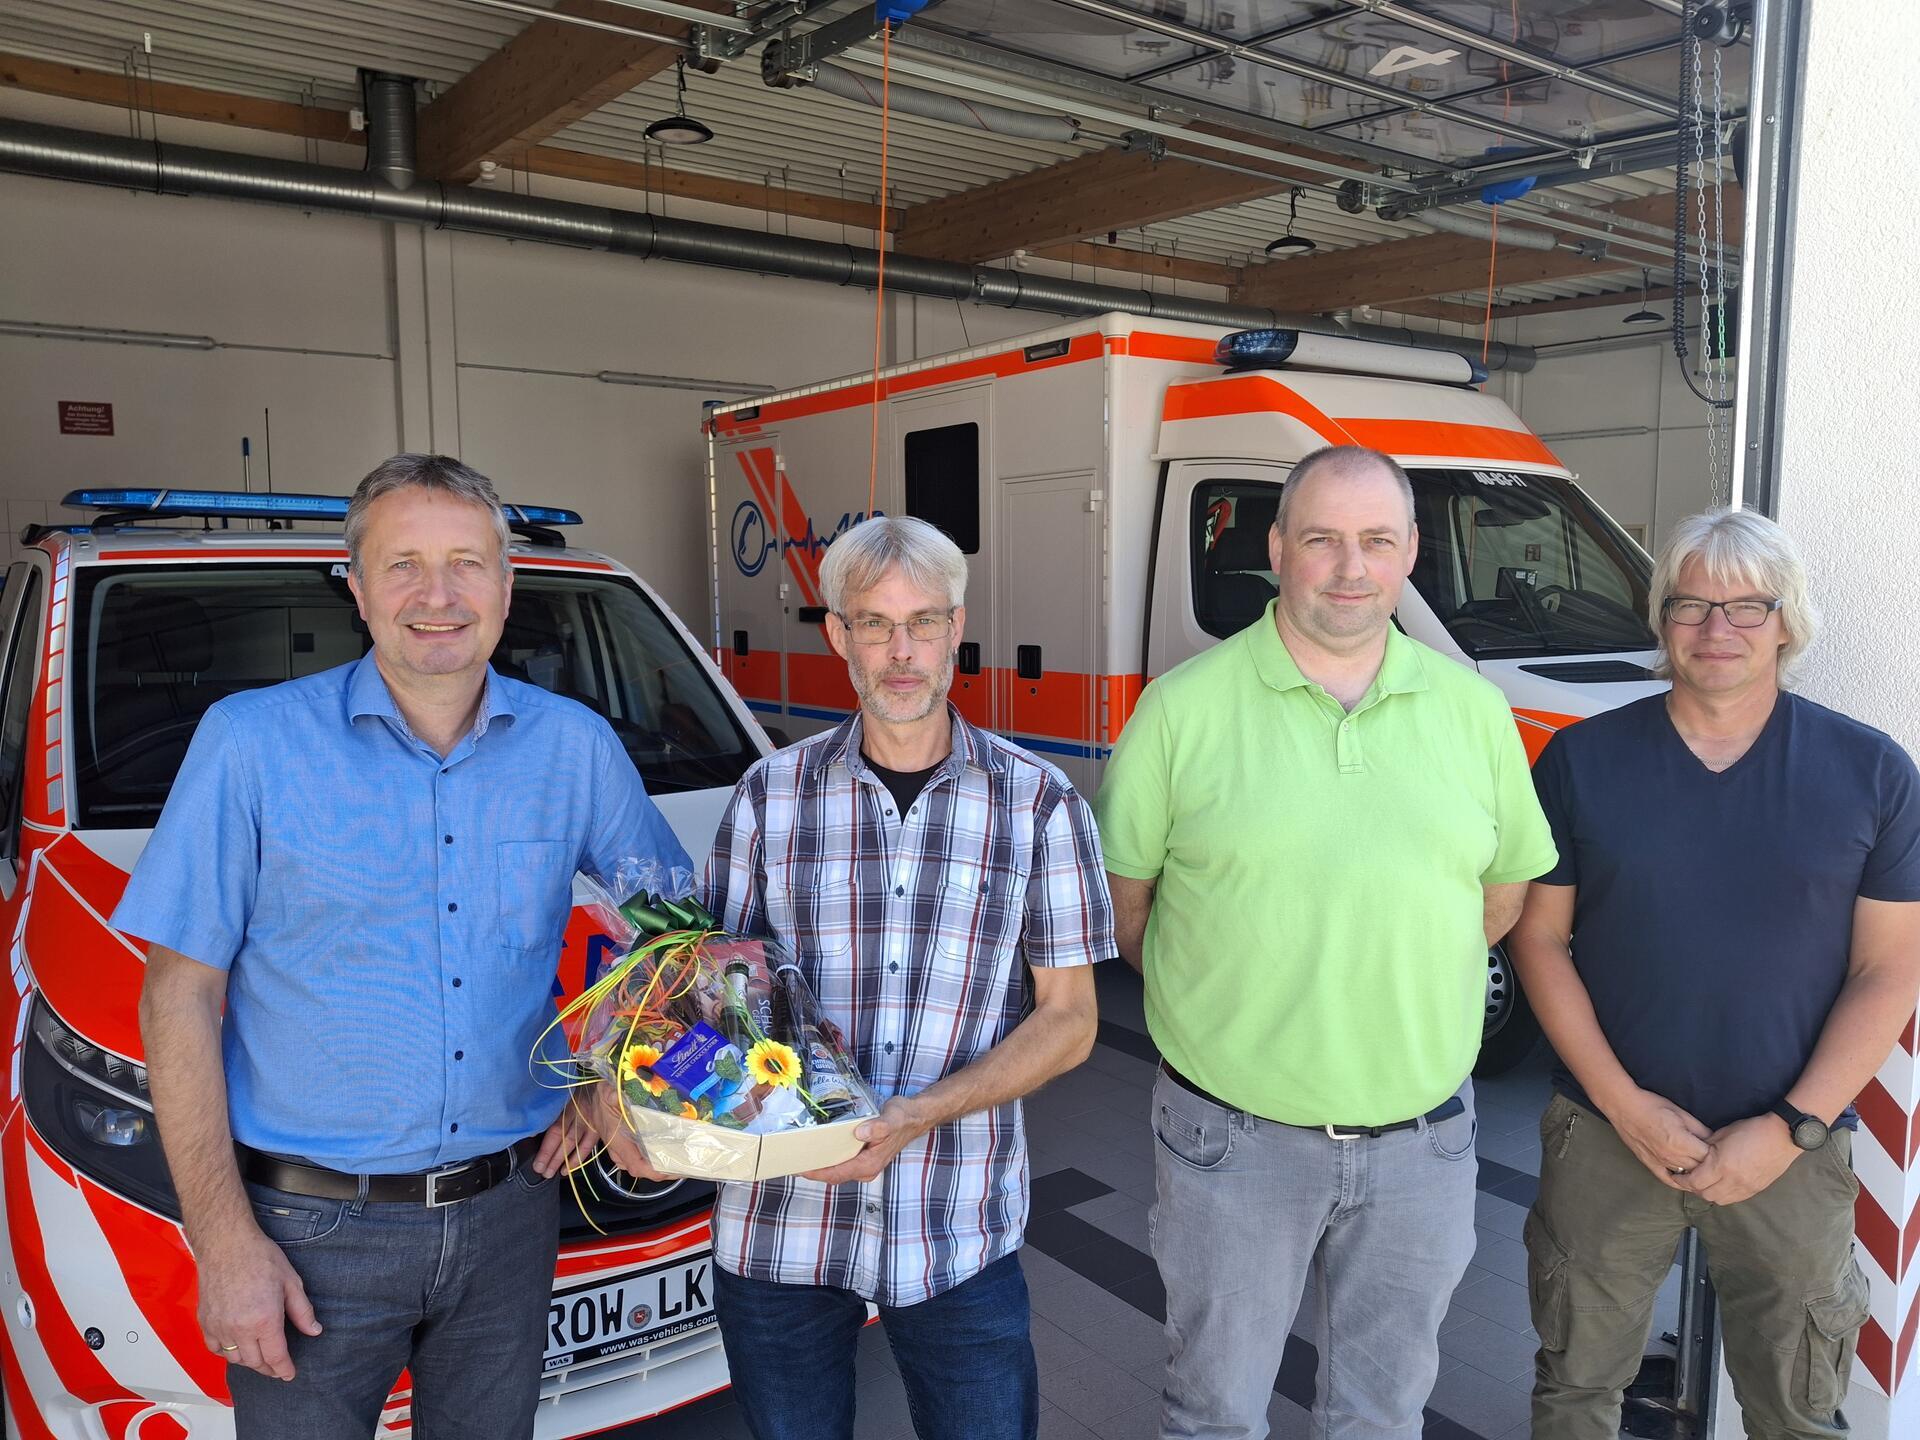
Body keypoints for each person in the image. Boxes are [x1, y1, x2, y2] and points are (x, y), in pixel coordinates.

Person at [121, 454, 690, 1440]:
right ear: (355, 585)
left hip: (512, 1210)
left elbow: (674, 932)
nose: (438, 596)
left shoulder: (574, 746)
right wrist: (222, 1241)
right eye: (403, 565)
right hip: (307, 1231)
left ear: (508, 586)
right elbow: (175, 996)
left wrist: (611, 1075)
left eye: (467, 564)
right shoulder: (250, 745)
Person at [1094, 445, 1558, 1440]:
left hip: (1423, 1147)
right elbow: (1129, 912)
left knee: (1382, 1418)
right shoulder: (1180, 711)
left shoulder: (1475, 713)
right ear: (1276, 549)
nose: (1351, 568)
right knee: (1213, 1412)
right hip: (1232, 1140)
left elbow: (1503, 890)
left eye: (1376, 542)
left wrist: (1394, 967)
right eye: (1323, 540)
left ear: (1410, 554)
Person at [661, 515, 1110, 1440]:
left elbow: (1070, 1020)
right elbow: (710, 1004)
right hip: (779, 1229)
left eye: (924, 623)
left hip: (957, 1226)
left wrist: (915, 1114)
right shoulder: (768, 797)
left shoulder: (1039, 804)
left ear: (957, 628)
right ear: (836, 633)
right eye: (873, 623)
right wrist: (648, 1113)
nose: (901, 654)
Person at [1507, 507, 1920, 1439]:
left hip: (1792, 1151)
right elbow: (1539, 941)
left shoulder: (1872, 773)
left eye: (1747, 607)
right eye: (1690, 605)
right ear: (1660, 622)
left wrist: (1791, 1125)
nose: (1717, 629)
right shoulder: (1583, 761)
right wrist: (1624, 1104)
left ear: (1788, 623)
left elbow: (1890, 970)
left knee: (1798, 1409)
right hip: (1606, 1136)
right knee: (1574, 1394)